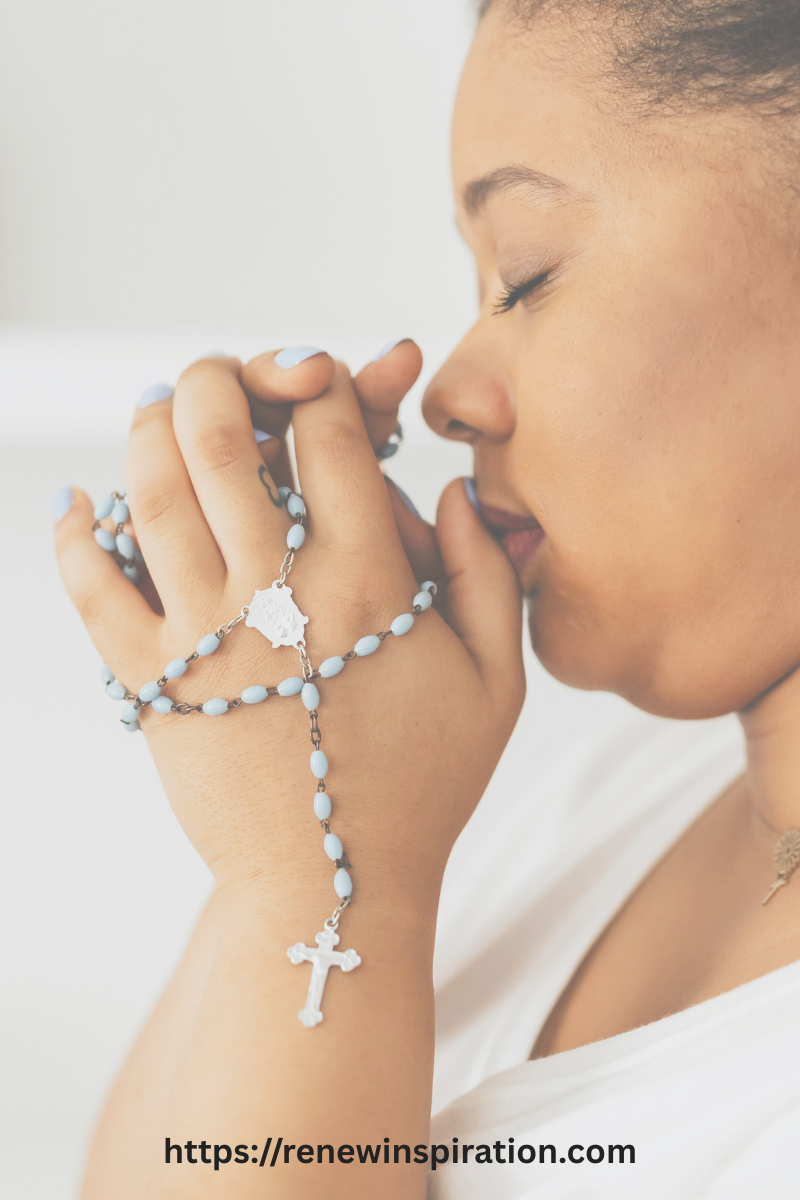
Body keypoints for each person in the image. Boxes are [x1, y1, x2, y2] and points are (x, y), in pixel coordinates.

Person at [51, 0, 800, 1195]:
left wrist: (320, 884)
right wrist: (297, 815)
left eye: (524, 275)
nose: (446, 392)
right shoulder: (617, 803)